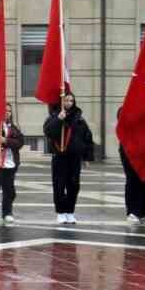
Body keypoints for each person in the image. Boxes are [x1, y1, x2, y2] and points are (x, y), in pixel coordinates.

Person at [43, 92, 91, 225]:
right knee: (59, 185)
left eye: (71, 101)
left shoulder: (79, 119)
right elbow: (48, 132)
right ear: (61, 102)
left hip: (74, 158)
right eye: (66, 100)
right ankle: (60, 212)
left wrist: (86, 156)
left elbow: (87, 137)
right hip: (60, 156)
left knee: (74, 185)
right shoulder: (55, 116)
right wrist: (58, 119)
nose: (69, 103)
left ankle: (70, 212)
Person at [119, 107, 145, 227]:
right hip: (130, 149)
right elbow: (123, 124)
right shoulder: (126, 109)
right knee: (133, 180)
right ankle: (133, 212)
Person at [0, 103, 23, 225]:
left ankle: (7, 213)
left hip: (10, 163)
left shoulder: (14, 128)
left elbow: (20, 142)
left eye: (9, 111)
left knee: (9, 190)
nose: (7, 113)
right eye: (5, 110)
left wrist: (6, 141)